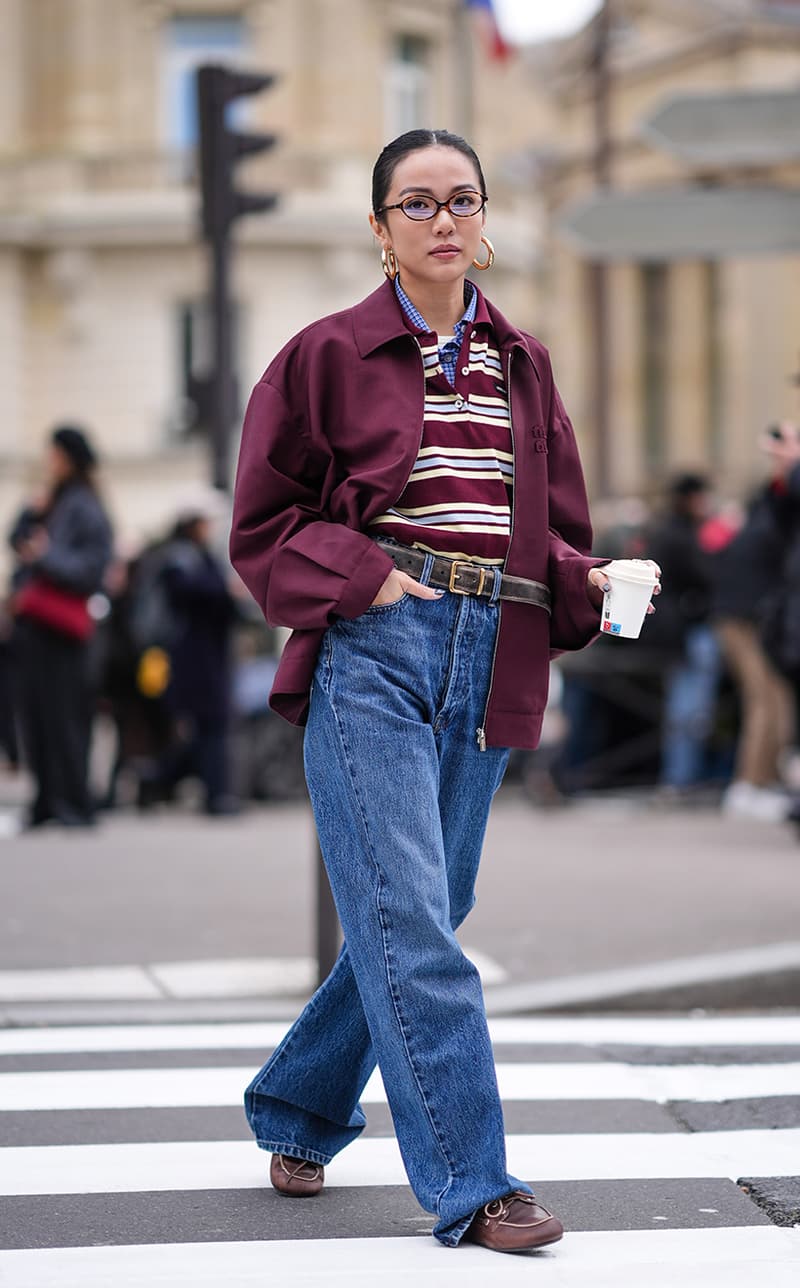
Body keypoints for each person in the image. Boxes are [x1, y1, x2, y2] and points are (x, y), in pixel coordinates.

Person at [230, 129, 659, 1255]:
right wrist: (365, 579)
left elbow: (547, 529)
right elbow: (264, 526)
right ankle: (476, 1186)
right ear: (378, 230)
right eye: (413, 204)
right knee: (413, 920)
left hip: (491, 647)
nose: (439, 220)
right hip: (374, 646)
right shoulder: (319, 356)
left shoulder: (523, 361)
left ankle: (298, 1104)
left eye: (459, 199)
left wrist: (594, 575)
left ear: (481, 218)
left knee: (420, 910)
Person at [8, 425, 113, 827]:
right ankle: (48, 802)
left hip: (62, 630)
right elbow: (15, 540)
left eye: (53, 454)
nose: (47, 462)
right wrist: (30, 513)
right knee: (35, 715)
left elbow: (89, 569)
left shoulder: (85, 506)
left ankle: (71, 803)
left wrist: (44, 557)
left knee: (63, 716)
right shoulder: (52, 500)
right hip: (36, 626)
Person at [713, 423, 800, 821]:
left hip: (748, 614)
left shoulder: (766, 509)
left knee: (769, 702)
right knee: (766, 701)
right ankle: (751, 784)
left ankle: (756, 784)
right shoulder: (772, 509)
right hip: (747, 617)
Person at [135, 489, 240, 816]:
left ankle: (161, 781)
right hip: (192, 654)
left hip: (207, 652)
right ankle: (213, 795)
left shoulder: (196, 555)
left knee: (207, 725)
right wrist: (225, 592)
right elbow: (189, 593)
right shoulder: (180, 557)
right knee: (209, 723)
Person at [645, 473, 721, 795]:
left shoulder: (665, 532)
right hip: (685, 632)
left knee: (684, 707)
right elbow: (705, 578)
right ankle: (681, 778)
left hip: (672, 632)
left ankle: (679, 777)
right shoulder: (681, 536)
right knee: (689, 709)